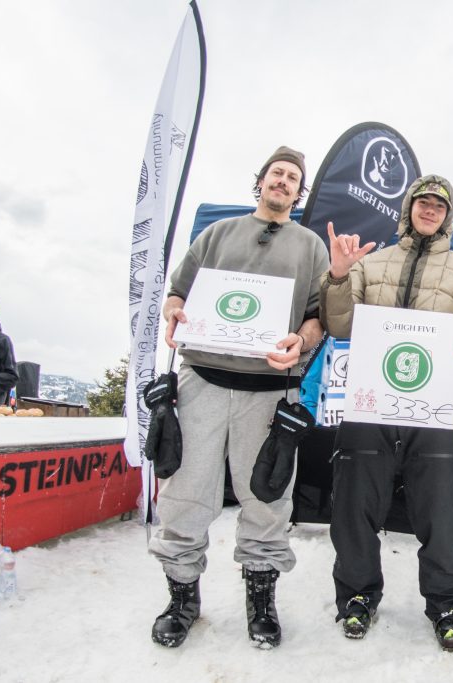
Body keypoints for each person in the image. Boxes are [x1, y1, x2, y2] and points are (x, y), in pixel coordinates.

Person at [148, 146, 330, 650]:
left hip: (269, 391)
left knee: (267, 497)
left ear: (299, 192)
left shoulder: (311, 246)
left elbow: (318, 317)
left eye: (293, 177)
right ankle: (182, 599)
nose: (283, 181)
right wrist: (174, 312)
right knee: (185, 492)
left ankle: (261, 602)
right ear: (262, 180)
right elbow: (178, 292)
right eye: (277, 173)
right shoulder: (218, 234)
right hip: (202, 381)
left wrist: (303, 340)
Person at [320, 174, 453, 651]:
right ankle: (357, 595)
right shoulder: (371, 262)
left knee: (442, 516)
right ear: (409, 208)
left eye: (440, 204)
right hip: (370, 407)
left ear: (448, 215)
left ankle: (448, 604)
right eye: (423, 201)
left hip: (434, 412)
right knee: (354, 509)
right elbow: (339, 323)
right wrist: (338, 276)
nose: (430, 209)